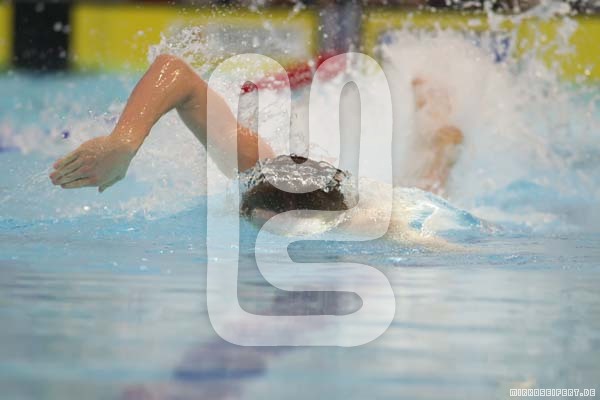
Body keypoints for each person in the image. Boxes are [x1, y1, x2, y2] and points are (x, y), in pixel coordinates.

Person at [49, 54, 463, 229]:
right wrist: (124, 141)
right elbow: (176, 73)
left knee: (430, 187)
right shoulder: (256, 172)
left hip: (385, 207)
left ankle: (441, 144)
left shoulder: (373, 225)